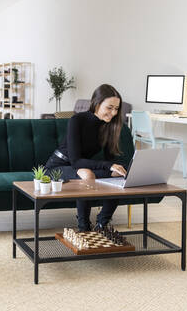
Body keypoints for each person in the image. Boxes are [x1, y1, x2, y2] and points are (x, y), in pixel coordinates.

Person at [45, 84, 127, 231]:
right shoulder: (77, 120)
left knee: (117, 174)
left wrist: (116, 167)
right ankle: (84, 226)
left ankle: (102, 223)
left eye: (116, 109)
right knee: (87, 174)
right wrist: (107, 166)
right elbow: (76, 161)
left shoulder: (109, 126)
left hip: (80, 166)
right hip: (57, 167)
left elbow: (110, 159)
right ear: (96, 103)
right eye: (109, 107)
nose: (113, 113)